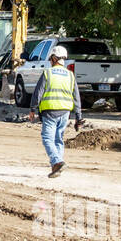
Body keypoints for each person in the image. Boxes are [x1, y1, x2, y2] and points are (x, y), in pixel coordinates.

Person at [28, 45, 83, 178]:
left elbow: (38, 92)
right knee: (58, 139)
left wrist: (32, 109)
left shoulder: (48, 73)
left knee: (47, 138)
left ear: (54, 58)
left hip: (50, 111)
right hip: (65, 112)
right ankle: (57, 166)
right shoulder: (70, 75)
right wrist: (78, 117)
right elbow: (76, 97)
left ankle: (57, 162)